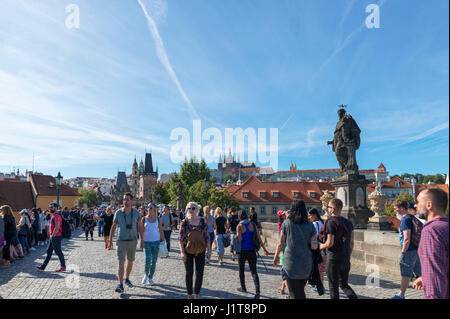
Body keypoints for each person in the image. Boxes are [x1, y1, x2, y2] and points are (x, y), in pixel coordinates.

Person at [274, 200, 317, 299]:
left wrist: (276, 256)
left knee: (293, 293)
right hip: (306, 263)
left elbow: (281, 243)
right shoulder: (310, 225)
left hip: (291, 263)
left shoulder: (286, 223)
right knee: (300, 291)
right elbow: (314, 246)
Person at [412, 188, 449, 299]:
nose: (415, 206)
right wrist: (425, 277)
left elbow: (435, 279)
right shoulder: (445, 226)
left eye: (418, 202)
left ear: (429, 205)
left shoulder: (431, 231)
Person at [320, 198, 357, 299]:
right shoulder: (348, 223)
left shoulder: (330, 222)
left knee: (333, 287)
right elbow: (352, 242)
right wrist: (348, 254)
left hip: (334, 258)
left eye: (329, 207)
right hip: (345, 257)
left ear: (332, 209)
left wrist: (321, 246)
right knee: (344, 285)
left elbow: (329, 242)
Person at [108, 193, 144, 293]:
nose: (126, 201)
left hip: (133, 241)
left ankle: (127, 278)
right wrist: (110, 240)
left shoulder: (136, 213)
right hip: (121, 241)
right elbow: (113, 226)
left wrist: (142, 239)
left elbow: (140, 226)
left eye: (128, 199)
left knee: (130, 261)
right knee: (121, 262)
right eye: (124, 199)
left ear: (131, 201)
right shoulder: (118, 213)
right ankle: (120, 284)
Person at [179, 202, 211, 299]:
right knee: (189, 273)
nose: (191, 210)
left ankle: (196, 294)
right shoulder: (184, 222)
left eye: (193, 208)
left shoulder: (202, 221)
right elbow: (180, 239)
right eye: (189, 208)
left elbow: (207, 237)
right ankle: (189, 294)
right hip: (187, 250)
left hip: (201, 250)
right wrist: (182, 252)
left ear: (197, 210)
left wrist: (209, 251)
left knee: (199, 272)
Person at [391, 200, 422, 299]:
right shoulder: (412, 217)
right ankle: (431, 293)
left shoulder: (405, 220)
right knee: (419, 274)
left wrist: (403, 252)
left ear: (402, 208)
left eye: (396, 208)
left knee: (406, 273)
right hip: (417, 248)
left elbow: (406, 238)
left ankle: (401, 295)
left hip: (409, 250)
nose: (395, 210)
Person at [236, 210, 270, 299]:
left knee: (241, 270)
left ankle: (243, 287)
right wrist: (265, 249)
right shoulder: (253, 225)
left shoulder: (239, 226)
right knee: (254, 271)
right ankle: (257, 292)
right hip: (252, 251)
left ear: (239, 217)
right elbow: (259, 238)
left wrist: (236, 237)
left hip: (242, 251)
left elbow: (239, 240)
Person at [141, 203, 165, 285]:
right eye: (148, 207)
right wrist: (141, 240)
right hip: (146, 242)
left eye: (151, 207)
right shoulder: (144, 219)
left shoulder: (158, 218)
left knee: (154, 261)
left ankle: (150, 277)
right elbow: (141, 231)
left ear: (154, 209)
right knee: (147, 260)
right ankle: (145, 275)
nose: (149, 208)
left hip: (156, 241)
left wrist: (164, 240)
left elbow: (161, 229)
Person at [37, 203, 66, 272]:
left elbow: (57, 227)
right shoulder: (54, 215)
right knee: (49, 252)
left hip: (56, 236)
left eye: (51, 207)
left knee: (58, 251)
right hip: (53, 236)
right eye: (49, 207)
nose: (50, 208)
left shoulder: (56, 216)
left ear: (56, 208)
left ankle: (63, 266)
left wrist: (52, 236)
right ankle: (43, 266)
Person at [308, 208, 327, 293]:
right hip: (324, 247)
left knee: (317, 268)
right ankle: (321, 285)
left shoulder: (314, 224)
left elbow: (313, 236)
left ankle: (318, 286)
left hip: (317, 248)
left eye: (310, 215)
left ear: (315, 215)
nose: (309, 217)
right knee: (321, 269)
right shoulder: (323, 222)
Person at [277, 210, 288, 295]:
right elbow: (281, 240)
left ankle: (282, 289)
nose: (284, 215)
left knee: (285, 272)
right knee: (284, 270)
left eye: (284, 214)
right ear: (281, 217)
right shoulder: (282, 224)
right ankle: (290, 293)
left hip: (286, 246)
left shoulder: (287, 223)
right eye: (283, 215)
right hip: (284, 247)